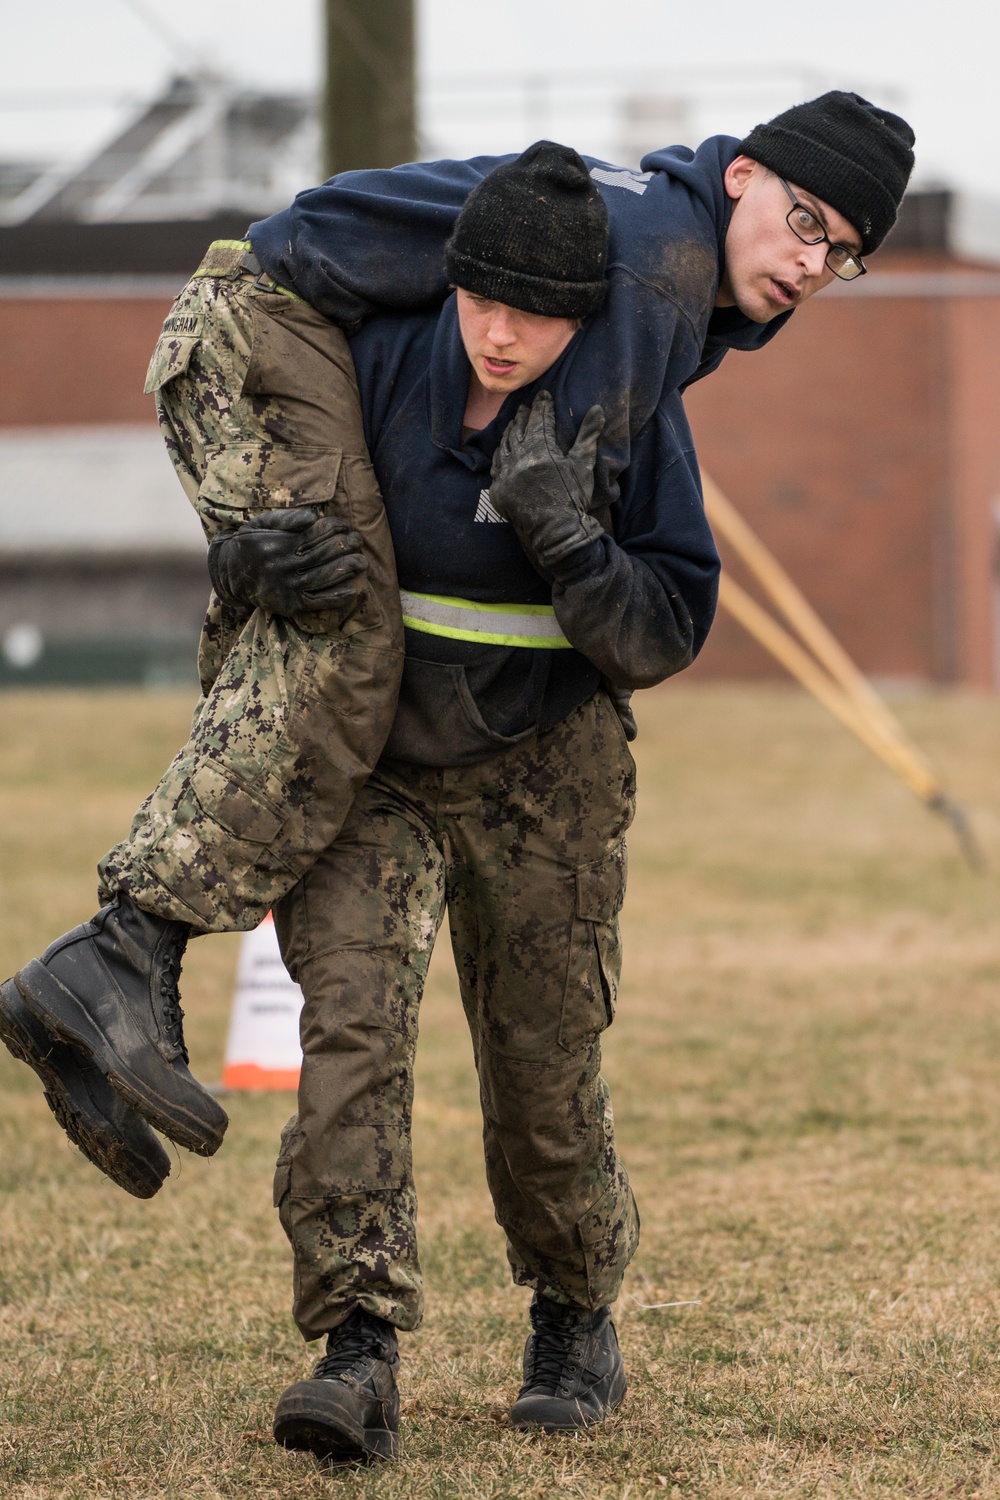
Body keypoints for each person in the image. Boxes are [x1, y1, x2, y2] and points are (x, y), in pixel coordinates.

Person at [0, 90, 912, 1246]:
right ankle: (122, 949)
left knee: (323, 609)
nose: (813, 262)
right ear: (741, 177)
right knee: (345, 631)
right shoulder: (648, 268)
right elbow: (517, 459)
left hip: (285, 315)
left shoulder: (662, 249)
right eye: (805, 218)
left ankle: (97, 996)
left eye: (844, 254)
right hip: (255, 318)